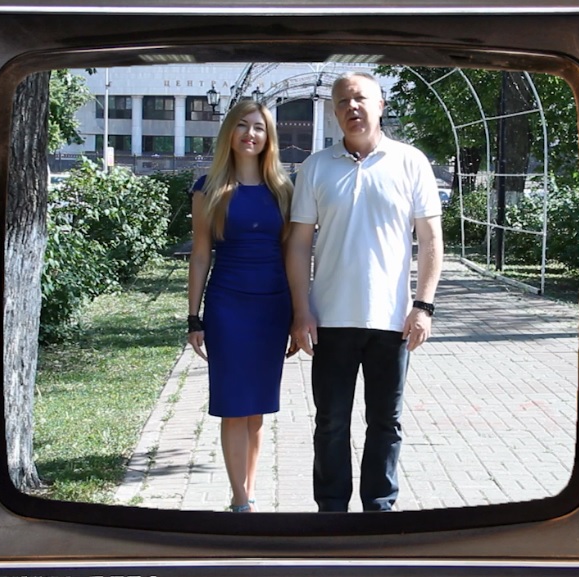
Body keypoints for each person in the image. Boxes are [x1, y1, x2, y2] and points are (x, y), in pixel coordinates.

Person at [285, 71, 444, 512]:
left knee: (385, 424)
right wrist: (301, 310)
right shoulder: (315, 167)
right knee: (330, 423)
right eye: (342, 102)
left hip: (392, 320)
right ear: (334, 112)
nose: (351, 107)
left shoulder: (410, 162)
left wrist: (423, 306)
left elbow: (431, 240)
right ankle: (331, 511)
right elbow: (298, 245)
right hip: (329, 318)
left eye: (360, 98)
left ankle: (379, 510)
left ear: (380, 105)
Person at [187, 99, 296, 513]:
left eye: (259, 128)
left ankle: (247, 493)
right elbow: (201, 255)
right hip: (228, 307)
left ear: (269, 137)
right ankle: (240, 501)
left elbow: (293, 254)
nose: (251, 134)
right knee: (234, 406)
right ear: (229, 133)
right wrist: (193, 317)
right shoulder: (208, 188)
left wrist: (298, 314)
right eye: (243, 126)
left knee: (257, 410)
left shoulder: (284, 190)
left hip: (272, 308)